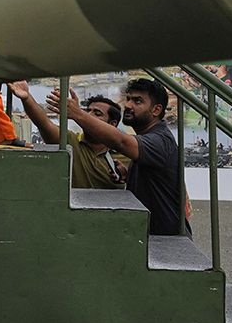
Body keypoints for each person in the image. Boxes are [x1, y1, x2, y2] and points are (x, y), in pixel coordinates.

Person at [52, 76, 187, 236]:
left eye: (137, 101)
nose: (128, 105)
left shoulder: (160, 140)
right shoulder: (149, 137)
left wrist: (78, 114)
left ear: (156, 110)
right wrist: (128, 175)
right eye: (128, 99)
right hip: (152, 237)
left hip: (166, 242)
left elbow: (122, 142)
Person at [6, 82, 123, 190]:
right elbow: (44, 124)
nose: (89, 116)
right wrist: (27, 98)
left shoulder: (123, 152)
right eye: (88, 111)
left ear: (113, 124)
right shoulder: (71, 142)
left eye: (97, 114)